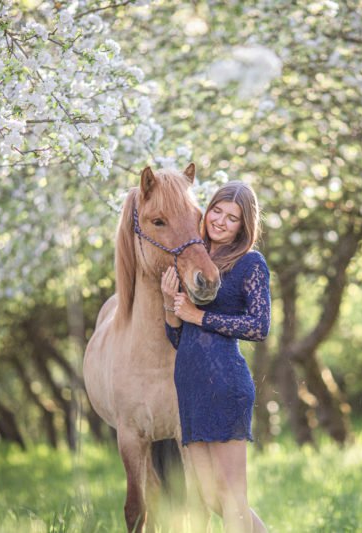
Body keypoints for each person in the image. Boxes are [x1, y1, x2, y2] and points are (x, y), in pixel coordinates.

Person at [161, 181, 269, 533]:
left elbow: (259, 326)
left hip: (225, 385)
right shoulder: (196, 260)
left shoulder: (250, 263)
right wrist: (170, 308)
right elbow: (180, 338)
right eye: (217, 211)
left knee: (233, 497)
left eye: (232, 217)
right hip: (191, 388)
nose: (221, 221)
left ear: (244, 226)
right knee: (211, 496)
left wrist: (200, 316)